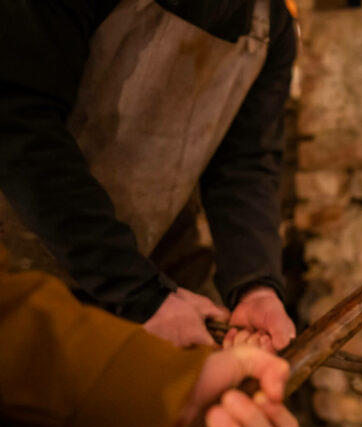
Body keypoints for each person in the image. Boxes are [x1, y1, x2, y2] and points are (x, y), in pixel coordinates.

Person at [0, 0, 298, 351]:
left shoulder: (270, 25)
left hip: (134, 264)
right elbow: (17, 122)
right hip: (13, 270)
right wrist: (139, 293)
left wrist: (256, 285)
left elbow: (244, 164)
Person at [0, 244, 298, 427]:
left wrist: (255, 282)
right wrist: (143, 296)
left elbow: (243, 173)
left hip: (176, 284)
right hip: (68, 317)